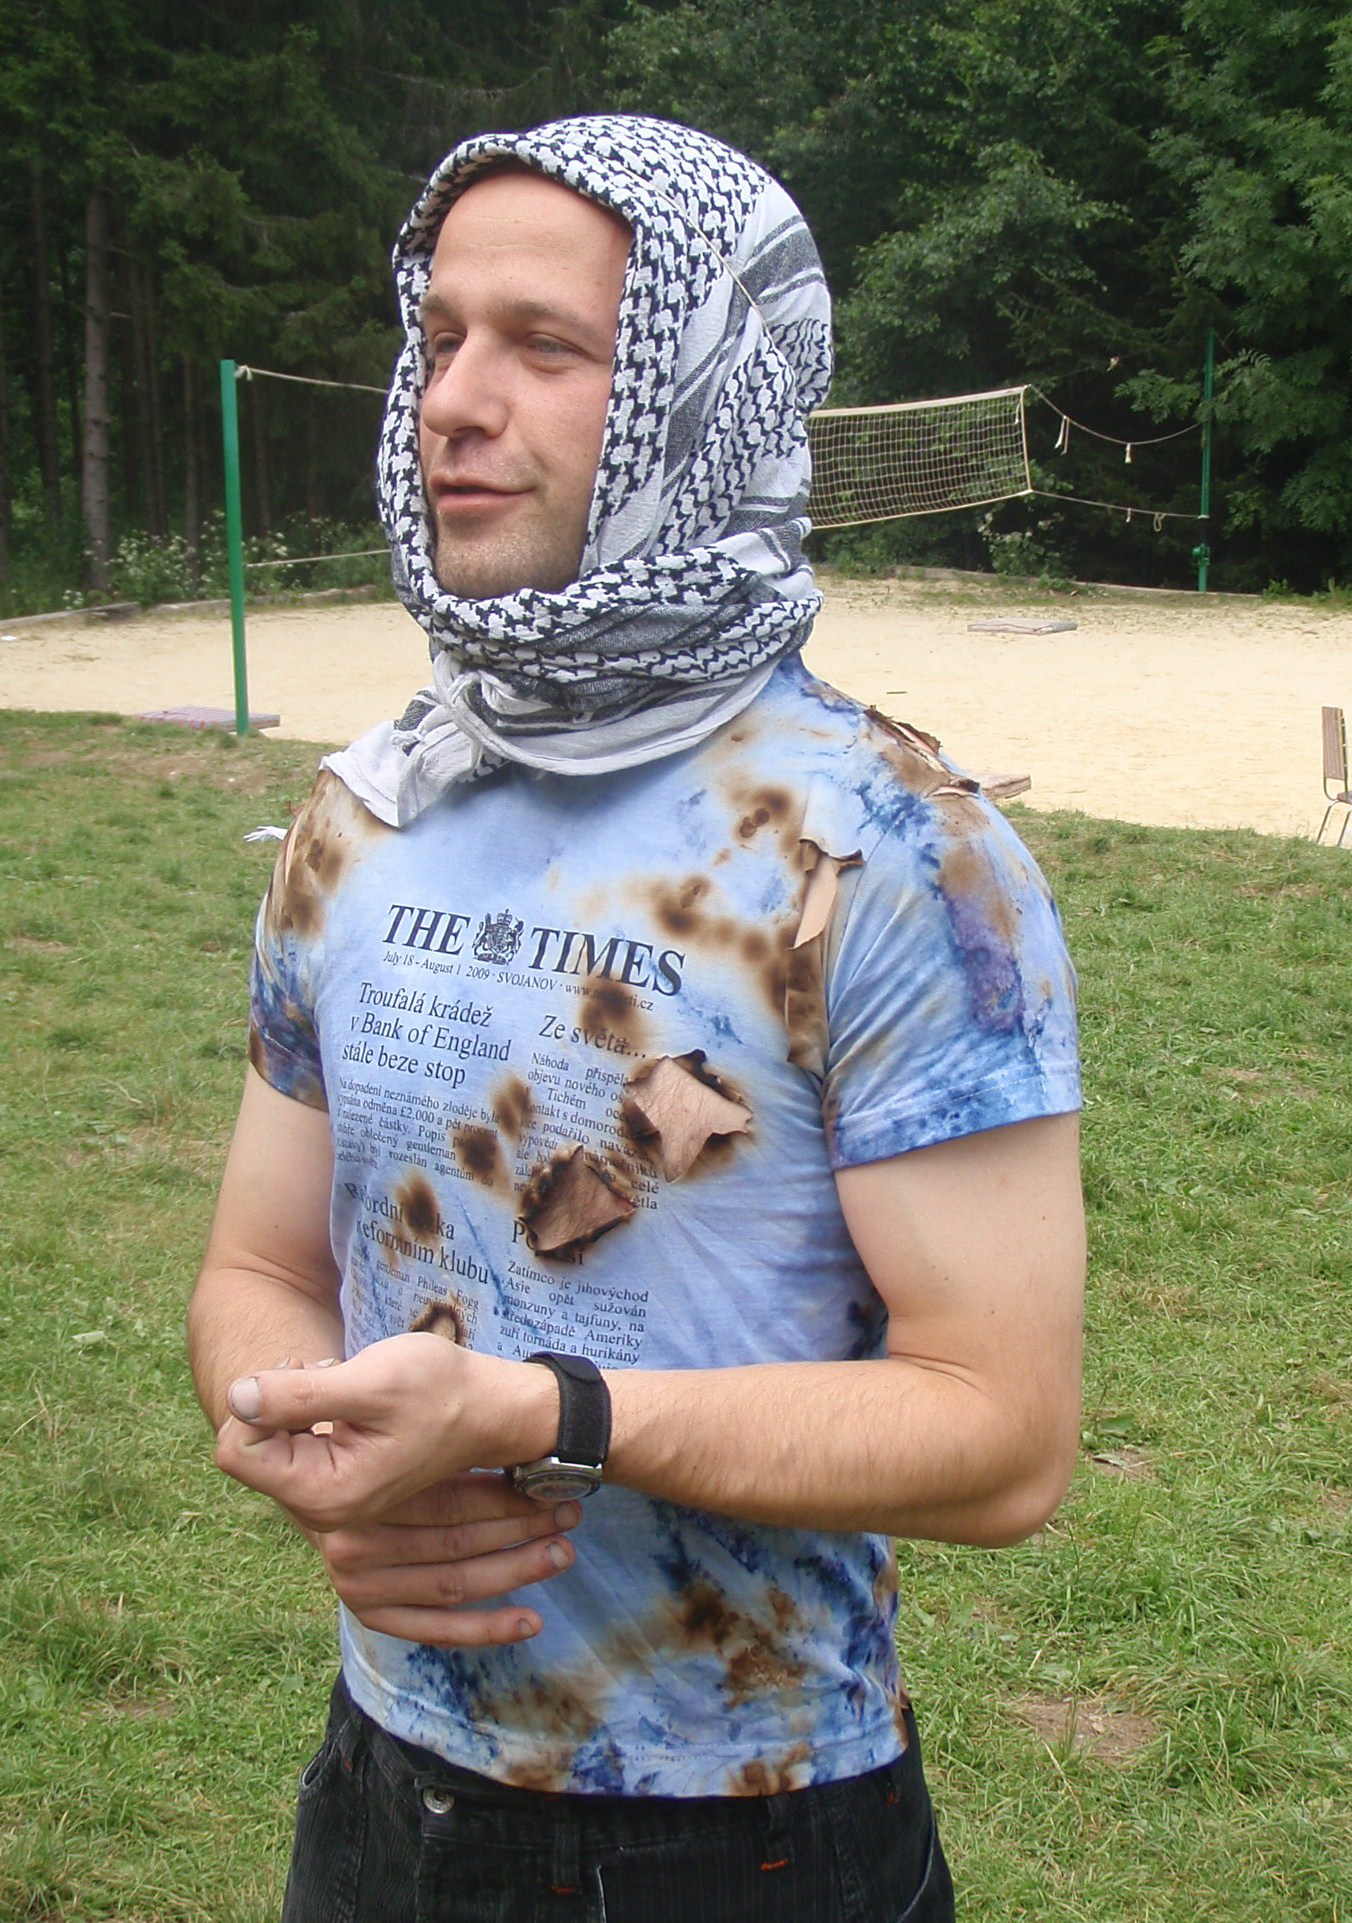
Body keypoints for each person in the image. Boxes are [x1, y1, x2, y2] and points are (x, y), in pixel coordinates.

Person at [188, 113, 1084, 1922]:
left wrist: (540, 1414)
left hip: (749, 1828)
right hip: (378, 1801)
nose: (451, 400)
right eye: (440, 336)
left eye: (544, 345)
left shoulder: (894, 852)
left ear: (704, 402)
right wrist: (301, 1441)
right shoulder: (366, 813)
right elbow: (255, 1268)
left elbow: (1002, 1433)